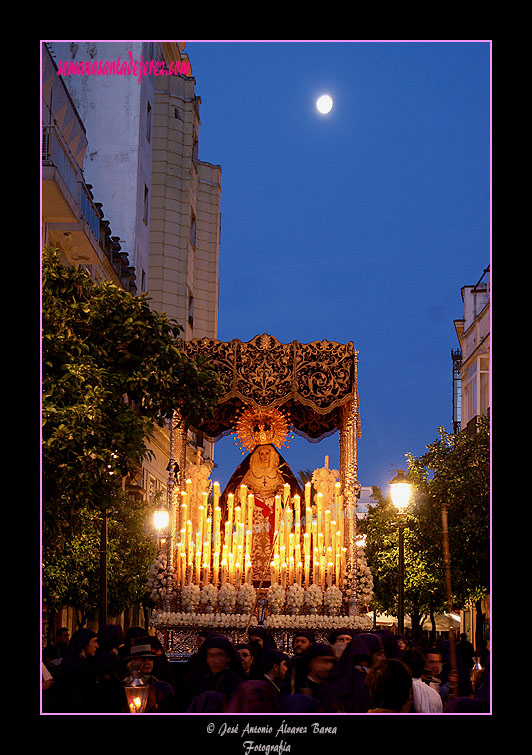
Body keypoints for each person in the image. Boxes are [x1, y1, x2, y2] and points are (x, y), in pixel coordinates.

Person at [319, 633, 385, 713]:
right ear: (367, 656)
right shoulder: (367, 683)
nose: (383, 658)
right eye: (379, 654)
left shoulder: (336, 680)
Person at [186, 635, 245, 711]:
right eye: (211, 656)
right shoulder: (201, 680)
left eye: (219, 655)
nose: (215, 661)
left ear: (228, 658)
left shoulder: (236, 681)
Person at [54, 628, 100, 712]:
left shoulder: (82, 661)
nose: (97, 646)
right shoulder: (77, 665)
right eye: (94, 641)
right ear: (84, 643)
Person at [124, 641, 176, 712]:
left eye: (150, 659)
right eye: (143, 659)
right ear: (132, 662)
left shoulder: (161, 687)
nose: (148, 662)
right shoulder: (123, 686)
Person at [402, 648, 443, 713]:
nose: (435, 666)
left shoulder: (399, 690)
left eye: (438, 662)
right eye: (432, 662)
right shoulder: (435, 694)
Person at [296, 642, 337, 707]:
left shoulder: (334, 688)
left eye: (331, 662)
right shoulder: (297, 687)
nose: (328, 666)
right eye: (324, 661)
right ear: (310, 662)